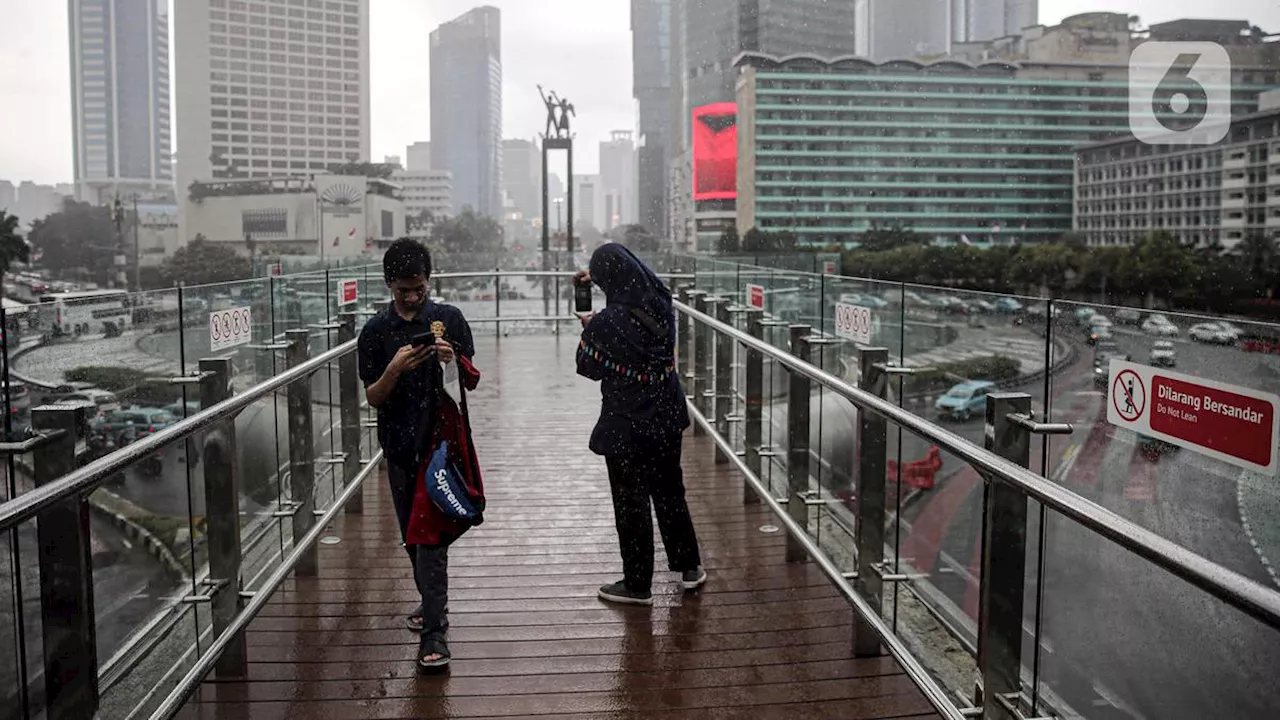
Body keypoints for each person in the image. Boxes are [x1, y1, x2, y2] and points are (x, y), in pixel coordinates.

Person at [358, 238, 481, 671]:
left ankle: (435, 630)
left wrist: (449, 360)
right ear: (389, 285)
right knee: (414, 537)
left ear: (429, 281)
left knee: (429, 537)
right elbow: (373, 396)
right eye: (402, 290)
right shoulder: (375, 332)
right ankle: (430, 602)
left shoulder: (449, 321)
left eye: (418, 288)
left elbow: (468, 382)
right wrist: (394, 370)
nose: (411, 297)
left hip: (441, 448)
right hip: (398, 446)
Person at [575, 243, 706, 605]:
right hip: (666, 412)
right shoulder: (661, 300)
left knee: (631, 502)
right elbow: (634, 282)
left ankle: (637, 584)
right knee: (669, 491)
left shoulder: (606, 323)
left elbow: (588, 366)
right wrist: (602, 278)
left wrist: (589, 330)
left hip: (625, 422)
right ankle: (689, 565)